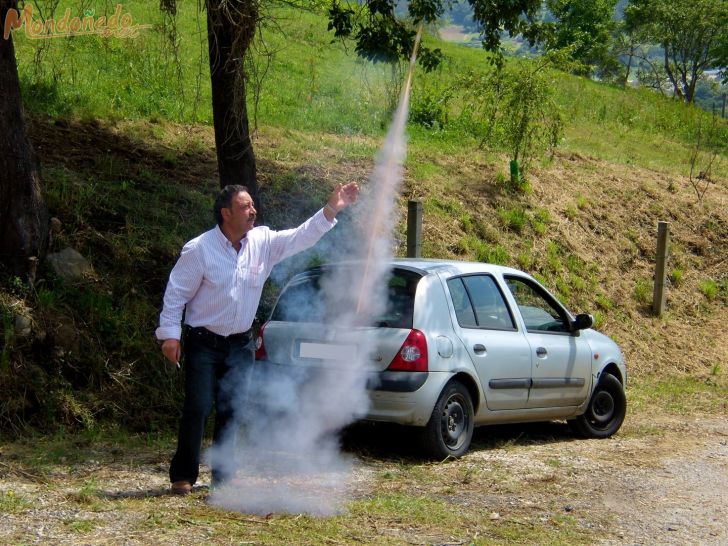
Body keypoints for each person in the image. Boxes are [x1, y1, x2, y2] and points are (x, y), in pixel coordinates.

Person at [156, 182, 359, 495]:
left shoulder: (263, 241)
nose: (253, 211)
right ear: (226, 213)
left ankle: (224, 476)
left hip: (240, 343)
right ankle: (183, 475)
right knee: (197, 407)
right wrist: (169, 335)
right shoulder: (199, 249)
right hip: (203, 342)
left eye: (252, 206)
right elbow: (176, 293)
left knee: (233, 408)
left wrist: (331, 209)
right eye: (244, 207)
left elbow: (302, 236)